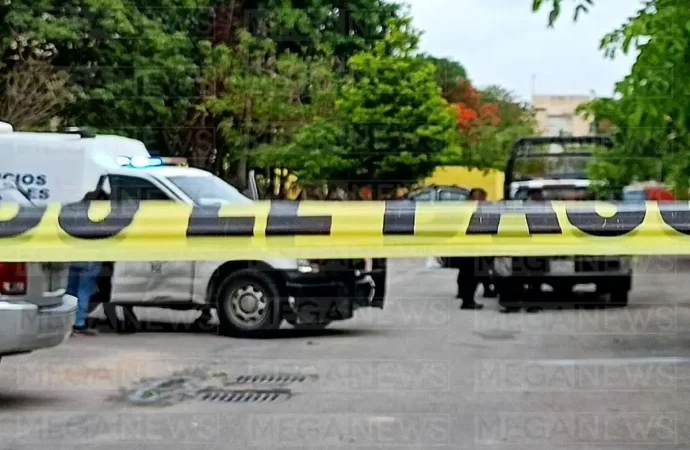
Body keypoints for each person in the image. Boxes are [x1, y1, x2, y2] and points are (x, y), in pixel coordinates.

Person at [66, 188, 109, 336]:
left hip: (74, 257)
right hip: (91, 259)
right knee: (84, 292)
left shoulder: (77, 215)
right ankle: (79, 324)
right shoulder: (102, 218)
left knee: (70, 292)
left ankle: (67, 324)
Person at [450, 188, 490, 310]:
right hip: (468, 246)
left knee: (468, 273)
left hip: (474, 246)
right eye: (478, 198)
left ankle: (466, 297)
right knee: (470, 274)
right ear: (470, 198)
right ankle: (467, 300)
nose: (481, 200)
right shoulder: (467, 210)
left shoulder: (479, 209)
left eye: (482, 198)